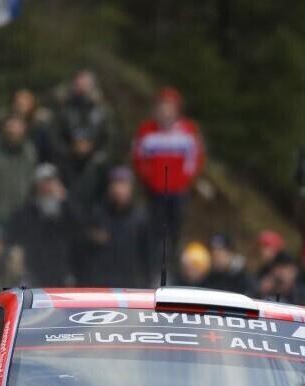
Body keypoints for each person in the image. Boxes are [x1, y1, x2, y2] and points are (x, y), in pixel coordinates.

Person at [132, 87, 204, 253]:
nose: (165, 112)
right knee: (153, 230)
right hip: (154, 190)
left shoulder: (188, 130)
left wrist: (184, 180)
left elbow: (196, 158)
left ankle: (174, 262)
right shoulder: (146, 131)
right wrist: (149, 179)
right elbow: (138, 158)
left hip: (178, 190)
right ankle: (153, 263)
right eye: (162, 107)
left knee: (176, 230)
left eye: (170, 108)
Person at [73, 166, 153, 288]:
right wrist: (92, 237)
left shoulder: (141, 217)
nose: (118, 189)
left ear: (131, 188)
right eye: (115, 184)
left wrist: (147, 281)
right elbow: (80, 244)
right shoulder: (97, 213)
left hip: (131, 283)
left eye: (123, 184)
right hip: (100, 282)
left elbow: (148, 253)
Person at [9, 163, 75, 286]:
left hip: (61, 272)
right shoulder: (26, 212)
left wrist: (65, 201)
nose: (47, 186)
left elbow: (79, 230)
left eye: (51, 182)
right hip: (34, 272)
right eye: (44, 182)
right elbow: (17, 239)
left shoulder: (67, 209)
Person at [0, 113, 38, 225]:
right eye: (10, 127)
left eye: (18, 127)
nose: (13, 131)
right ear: (4, 128)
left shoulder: (29, 151)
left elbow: (31, 180)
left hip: (21, 215)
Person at [55, 69, 116, 171]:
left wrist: (99, 154)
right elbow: (57, 136)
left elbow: (111, 137)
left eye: (85, 85)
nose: (82, 89)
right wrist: (71, 150)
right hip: (69, 162)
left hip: (96, 163)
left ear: (93, 87)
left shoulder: (103, 110)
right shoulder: (65, 109)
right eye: (78, 85)